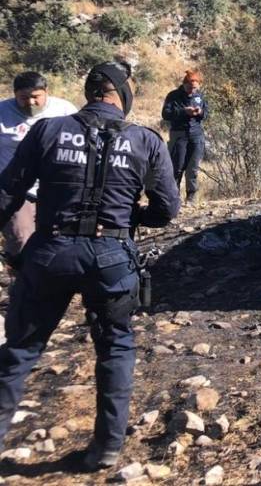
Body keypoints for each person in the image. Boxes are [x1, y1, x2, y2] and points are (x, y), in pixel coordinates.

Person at [0, 62, 179, 470]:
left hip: (50, 251)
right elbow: (168, 209)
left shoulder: (47, 130)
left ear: (90, 92)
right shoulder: (146, 140)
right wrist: (131, 220)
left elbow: (7, 193)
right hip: (112, 256)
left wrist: (12, 250)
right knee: (115, 347)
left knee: (20, 352)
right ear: (121, 94)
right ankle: (106, 449)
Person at [0, 72, 77, 271]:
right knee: (21, 239)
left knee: (57, 240)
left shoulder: (64, 110)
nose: (31, 102)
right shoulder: (2, 112)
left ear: (46, 93)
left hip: (55, 188)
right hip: (15, 189)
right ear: (14, 95)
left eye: (36, 97)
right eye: (24, 98)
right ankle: (22, 290)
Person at [161, 70, 210, 205]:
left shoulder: (200, 96)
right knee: (177, 167)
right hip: (179, 135)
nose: (191, 90)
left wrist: (200, 113)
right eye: (189, 87)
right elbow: (165, 114)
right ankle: (173, 198)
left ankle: (191, 197)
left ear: (199, 85)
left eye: (194, 88)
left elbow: (207, 113)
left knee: (193, 168)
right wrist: (183, 112)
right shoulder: (173, 96)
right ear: (184, 84)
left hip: (196, 135)